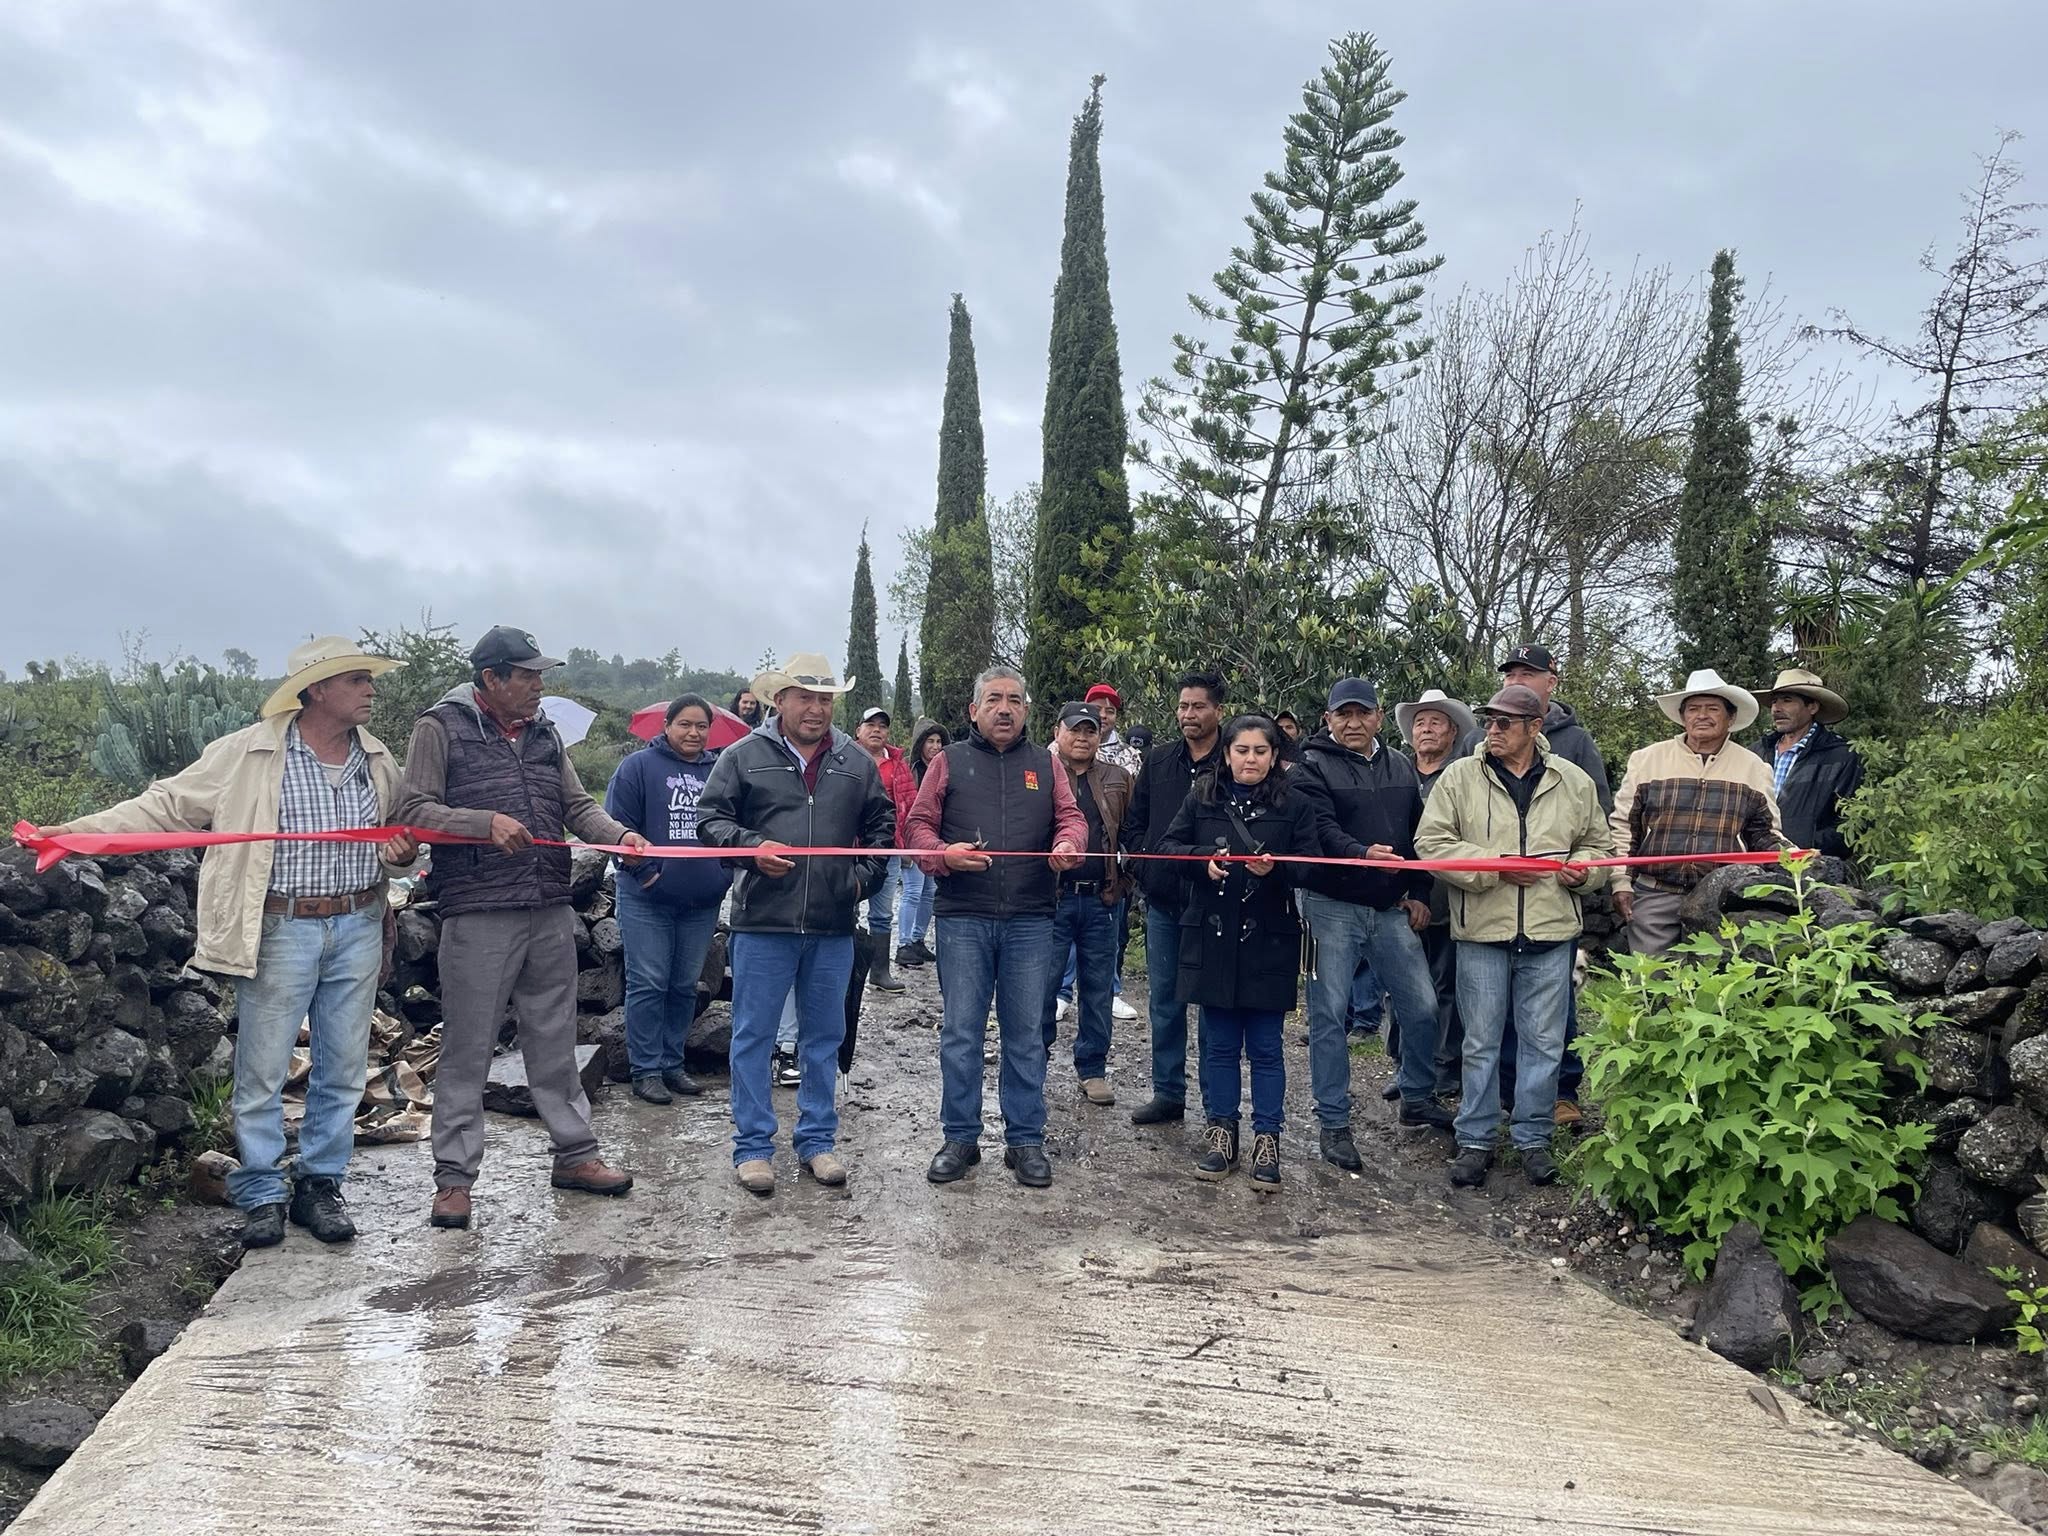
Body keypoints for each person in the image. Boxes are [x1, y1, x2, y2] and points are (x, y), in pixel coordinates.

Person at [31, 638, 417, 1249]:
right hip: (280, 926)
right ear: (317, 689)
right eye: (357, 679)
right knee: (262, 1069)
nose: (371, 689)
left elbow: (398, 840)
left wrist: (402, 854)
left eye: (368, 678)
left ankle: (320, 1183)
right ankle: (262, 1190)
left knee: (343, 1067)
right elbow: (165, 806)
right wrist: (77, 833)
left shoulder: (376, 757)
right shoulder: (248, 752)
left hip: (357, 923)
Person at [398, 626, 647, 1230]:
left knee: (556, 1039)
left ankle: (576, 1155)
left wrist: (620, 838)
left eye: (541, 674)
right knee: (468, 1046)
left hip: (547, 904)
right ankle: (454, 1180)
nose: (539, 685)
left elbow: (576, 805)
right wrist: (481, 822)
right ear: (491, 678)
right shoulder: (440, 728)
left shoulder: (544, 732)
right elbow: (411, 811)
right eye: (529, 674)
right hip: (478, 910)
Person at [696, 652, 895, 1194]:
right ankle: (753, 1147)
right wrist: (751, 847)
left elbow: (883, 827)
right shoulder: (742, 756)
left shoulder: (857, 762)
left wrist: (860, 882)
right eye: (805, 697)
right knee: (753, 1036)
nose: (815, 708)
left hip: (832, 924)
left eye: (825, 699)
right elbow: (710, 821)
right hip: (763, 921)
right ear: (778, 700)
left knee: (824, 1036)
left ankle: (817, 1141)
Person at [1416, 684, 1614, 1189]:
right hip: (1482, 929)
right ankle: (1476, 1140)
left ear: (1535, 727)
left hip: (1551, 930)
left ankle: (1533, 1139)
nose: (1493, 730)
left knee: (1544, 1043)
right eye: (1490, 720)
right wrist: (1494, 870)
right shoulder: (1460, 776)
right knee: (1480, 1041)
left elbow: (1597, 844)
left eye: (1506, 722)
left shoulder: (1573, 781)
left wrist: (1583, 872)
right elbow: (1431, 843)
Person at [907, 667, 1085, 1188]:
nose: (1004, 709)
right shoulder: (947, 761)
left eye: (1014, 700)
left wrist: (1068, 846)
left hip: (1031, 918)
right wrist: (943, 855)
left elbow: (1070, 819)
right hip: (963, 918)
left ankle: (1025, 1140)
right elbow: (917, 828)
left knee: (1026, 1034)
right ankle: (961, 1137)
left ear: (1027, 711)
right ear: (974, 710)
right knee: (961, 1033)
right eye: (993, 700)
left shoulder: (1045, 766)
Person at [1292, 678, 1453, 1173]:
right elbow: (1318, 830)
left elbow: (1419, 837)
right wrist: (1361, 855)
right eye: (1344, 714)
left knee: (1423, 1006)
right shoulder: (1308, 766)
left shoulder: (1401, 766)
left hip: (1390, 908)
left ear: (1380, 717)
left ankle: (1417, 1094)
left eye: (1363, 713)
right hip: (1326, 907)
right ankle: (1334, 1123)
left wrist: (1420, 892)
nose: (1354, 722)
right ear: (1329, 719)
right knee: (1328, 1016)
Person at [1156, 715, 1320, 1189]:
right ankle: (1221, 1130)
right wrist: (1201, 862)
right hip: (1212, 936)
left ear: (1274, 756)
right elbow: (1168, 847)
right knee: (1220, 1045)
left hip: (1270, 938)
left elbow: (1312, 866)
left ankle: (1267, 1137)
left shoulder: (1295, 803)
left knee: (1267, 1048)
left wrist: (1279, 871)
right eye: (1242, 750)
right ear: (1226, 753)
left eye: (1260, 751)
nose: (1251, 760)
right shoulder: (1202, 797)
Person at [1497, 644, 1608, 1124]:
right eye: (1510, 673)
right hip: (1493, 901)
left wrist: (1585, 869)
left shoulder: (1577, 742)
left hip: (1553, 902)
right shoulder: (1483, 740)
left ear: (1551, 682)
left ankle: (1563, 1092)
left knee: (1557, 1005)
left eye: (1529, 673)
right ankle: (1504, 1097)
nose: (1517, 680)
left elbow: (1597, 822)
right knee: (1493, 1010)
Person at [603, 693, 731, 1106]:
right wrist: (647, 874)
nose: (693, 733)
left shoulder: (721, 771)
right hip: (647, 897)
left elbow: (736, 826)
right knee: (649, 982)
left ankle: (673, 1064)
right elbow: (614, 827)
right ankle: (646, 1070)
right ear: (667, 726)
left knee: (682, 985)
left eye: (701, 726)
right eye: (685, 724)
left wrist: (722, 876)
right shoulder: (637, 768)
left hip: (701, 900)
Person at [1611, 668, 1782, 957]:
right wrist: (1620, 881)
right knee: (1652, 981)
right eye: (1693, 709)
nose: (1702, 715)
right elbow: (1625, 827)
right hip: (1655, 892)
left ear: (1730, 718)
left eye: (1712, 708)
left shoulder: (1753, 767)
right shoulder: (1646, 760)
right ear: (1682, 716)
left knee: (1716, 983)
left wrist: (1793, 860)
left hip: (1723, 897)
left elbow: (1765, 834)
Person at [1119, 670, 1226, 1126]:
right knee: (1164, 1000)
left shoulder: (1236, 759)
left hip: (1218, 902)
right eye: (1182, 706)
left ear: (1218, 711)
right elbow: (1134, 826)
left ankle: (1217, 1102)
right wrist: (1147, 871)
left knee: (1215, 1003)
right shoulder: (1159, 761)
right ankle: (1168, 1092)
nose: (1188, 714)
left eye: (1197, 706)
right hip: (1164, 902)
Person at [1039, 702, 1133, 1107]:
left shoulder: (1119, 778)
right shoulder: (1038, 774)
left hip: (1101, 899)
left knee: (1097, 989)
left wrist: (1125, 883)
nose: (1082, 737)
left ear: (1100, 735)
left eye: (1090, 730)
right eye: (1074, 729)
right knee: (1040, 988)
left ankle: (1092, 1068)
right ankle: (1033, 1063)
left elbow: (1132, 833)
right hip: (1051, 901)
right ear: (1058, 732)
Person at [1394, 688, 1479, 1101]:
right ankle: (1406, 1065)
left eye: (1435, 722)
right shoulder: (1395, 773)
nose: (1425, 729)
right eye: (1419, 722)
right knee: (1401, 985)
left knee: (1445, 986)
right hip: (1399, 897)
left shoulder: (1465, 777)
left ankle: (1444, 1068)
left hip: (1447, 897)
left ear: (1453, 731)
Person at [1752, 668, 1862, 860]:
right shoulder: (1756, 753)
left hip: (1810, 868)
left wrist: (1811, 848)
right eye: (1774, 701)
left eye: (1787, 700)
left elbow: (1852, 823)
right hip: (1753, 863)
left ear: (1812, 707)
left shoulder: (1841, 756)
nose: (1777, 709)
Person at [853, 705, 914, 994]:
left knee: (882, 913)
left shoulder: (899, 765)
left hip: (887, 850)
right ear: (858, 730)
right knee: (845, 908)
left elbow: (911, 805)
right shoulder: (844, 759)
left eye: (882, 726)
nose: (877, 730)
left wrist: (908, 845)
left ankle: (880, 971)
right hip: (849, 849)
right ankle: (846, 970)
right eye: (871, 724)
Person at [894, 717, 948, 968]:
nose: (935, 747)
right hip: (913, 841)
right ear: (920, 744)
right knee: (913, 891)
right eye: (930, 741)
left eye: (939, 741)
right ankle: (903, 943)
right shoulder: (908, 770)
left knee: (929, 892)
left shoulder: (947, 770)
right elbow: (902, 808)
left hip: (938, 841)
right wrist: (903, 845)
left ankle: (917, 939)